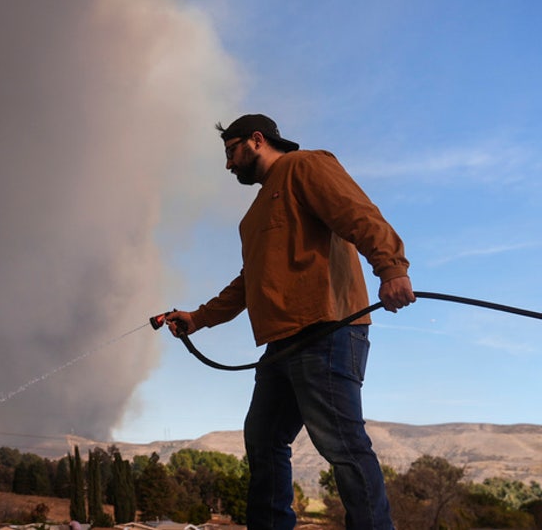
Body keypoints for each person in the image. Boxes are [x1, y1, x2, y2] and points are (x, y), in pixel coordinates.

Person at [164, 114, 415, 530]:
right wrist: (198, 318)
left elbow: (358, 214)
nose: (229, 165)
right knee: (263, 440)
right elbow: (249, 282)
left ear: (257, 140)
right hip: (281, 344)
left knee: (343, 445)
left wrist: (391, 268)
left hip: (328, 329)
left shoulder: (306, 166)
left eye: (231, 152)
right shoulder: (253, 216)